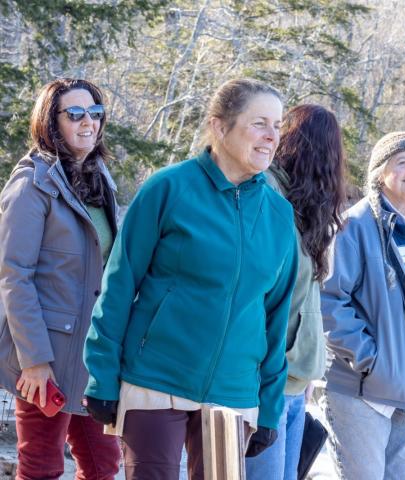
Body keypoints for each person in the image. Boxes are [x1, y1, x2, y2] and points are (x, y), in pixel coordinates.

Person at [82, 78, 298, 479]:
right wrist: (102, 376)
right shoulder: (168, 188)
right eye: (259, 123)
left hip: (233, 391)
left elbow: (275, 317)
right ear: (219, 127)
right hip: (156, 379)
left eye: (278, 125)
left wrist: (270, 405)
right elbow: (120, 284)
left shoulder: (279, 215)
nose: (272, 136)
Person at [319, 131, 405, 480]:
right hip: (362, 393)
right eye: (403, 162)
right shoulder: (354, 227)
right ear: (380, 172)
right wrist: (372, 362)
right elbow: (328, 300)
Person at [0, 78, 121, 479]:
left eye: (95, 113)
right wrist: (34, 361)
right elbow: (14, 276)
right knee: (41, 467)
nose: (89, 122)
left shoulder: (99, 179)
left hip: (93, 357)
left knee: (104, 466)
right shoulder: (32, 183)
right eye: (75, 114)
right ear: (51, 121)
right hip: (46, 357)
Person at [245, 104, 346, 479]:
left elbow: (311, 297)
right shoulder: (267, 191)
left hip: (294, 380)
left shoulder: (310, 208)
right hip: (262, 380)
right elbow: (254, 291)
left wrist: (308, 373)